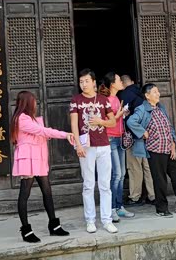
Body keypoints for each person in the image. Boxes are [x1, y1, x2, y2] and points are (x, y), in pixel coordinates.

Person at [10, 91, 74, 243]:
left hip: (38, 158)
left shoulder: (31, 119)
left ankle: (54, 225)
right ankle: (26, 230)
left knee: (47, 192)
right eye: (33, 101)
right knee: (24, 194)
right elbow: (42, 131)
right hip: (28, 158)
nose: (35, 104)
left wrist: (52, 134)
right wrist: (65, 134)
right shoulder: (21, 119)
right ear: (27, 103)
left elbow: (43, 133)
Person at [127, 83, 176, 217]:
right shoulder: (142, 109)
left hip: (168, 149)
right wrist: (142, 132)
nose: (158, 94)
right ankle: (161, 209)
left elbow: (169, 127)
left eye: (158, 91)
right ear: (147, 96)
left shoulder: (161, 108)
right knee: (160, 180)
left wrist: (173, 145)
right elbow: (131, 121)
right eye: (154, 92)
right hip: (155, 150)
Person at [70, 68, 119, 234]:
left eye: (86, 81)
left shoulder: (103, 100)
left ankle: (107, 220)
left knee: (105, 185)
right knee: (88, 184)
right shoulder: (76, 101)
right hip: (86, 147)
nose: (83, 84)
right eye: (81, 82)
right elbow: (74, 124)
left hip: (103, 145)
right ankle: (90, 220)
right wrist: (78, 145)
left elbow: (112, 122)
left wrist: (100, 121)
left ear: (93, 83)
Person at [100, 72, 135, 223]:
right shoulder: (106, 100)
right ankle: (112, 208)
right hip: (110, 139)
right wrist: (119, 114)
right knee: (116, 174)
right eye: (119, 80)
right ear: (112, 84)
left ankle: (119, 206)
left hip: (119, 137)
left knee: (121, 174)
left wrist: (123, 114)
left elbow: (117, 118)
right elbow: (105, 122)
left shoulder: (116, 99)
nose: (121, 82)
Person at [118, 74, 155, 206]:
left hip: (133, 136)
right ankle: (153, 195)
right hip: (149, 135)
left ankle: (135, 196)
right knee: (148, 166)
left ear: (122, 83)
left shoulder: (123, 95)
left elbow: (125, 118)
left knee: (134, 167)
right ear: (132, 82)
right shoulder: (142, 93)